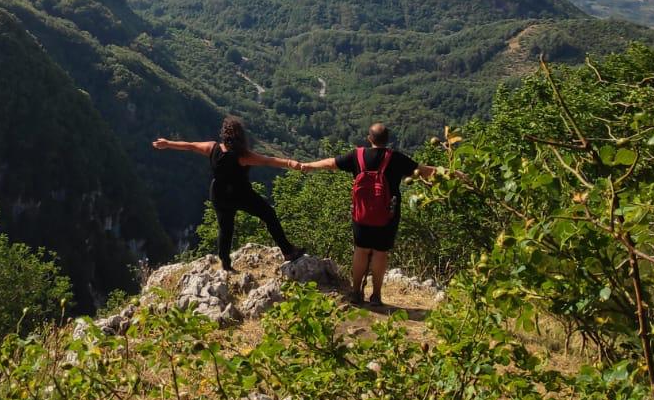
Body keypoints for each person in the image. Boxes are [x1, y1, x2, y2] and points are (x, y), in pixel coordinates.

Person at [296, 122, 443, 307]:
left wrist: (308, 165)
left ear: (369, 139)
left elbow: (331, 163)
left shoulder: (356, 156)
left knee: (361, 251)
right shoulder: (396, 158)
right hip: (387, 215)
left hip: (361, 214)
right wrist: (453, 174)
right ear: (388, 140)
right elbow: (425, 171)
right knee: (380, 253)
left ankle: (356, 292)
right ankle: (376, 295)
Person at [153, 116, 304, 271]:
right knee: (269, 215)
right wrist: (289, 163)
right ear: (241, 136)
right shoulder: (243, 156)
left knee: (225, 229)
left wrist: (168, 143)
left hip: (219, 193)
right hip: (241, 194)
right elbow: (268, 160)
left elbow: (190, 146)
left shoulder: (212, 148)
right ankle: (288, 251)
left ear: (224, 134)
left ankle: (225, 264)